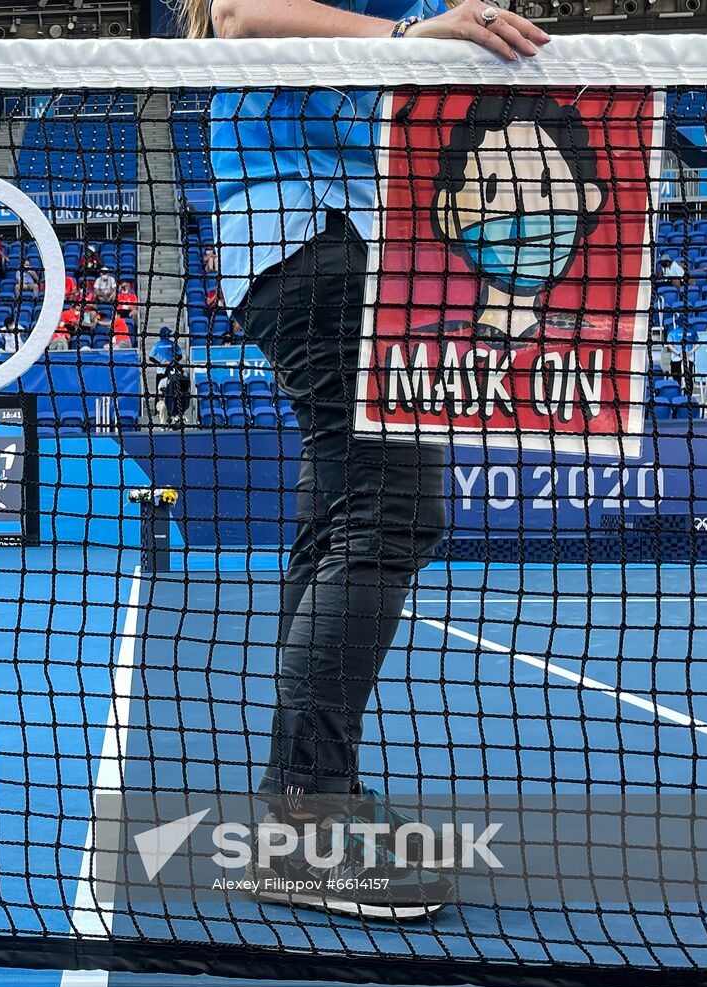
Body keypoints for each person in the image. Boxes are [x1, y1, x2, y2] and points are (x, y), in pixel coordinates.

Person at [187, 0, 547, 921]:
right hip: (322, 238)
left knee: (343, 510)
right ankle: (307, 816)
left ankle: (304, 798)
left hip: (340, 246)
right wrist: (405, 41)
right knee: (392, 509)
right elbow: (234, 13)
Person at [664, 320, 698, 389]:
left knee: (677, 380)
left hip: (677, 359)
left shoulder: (672, 332)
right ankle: (689, 397)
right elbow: (698, 344)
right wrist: (690, 352)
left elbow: (669, 345)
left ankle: (679, 396)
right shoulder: (692, 331)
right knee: (688, 379)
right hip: (688, 359)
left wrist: (678, 353)